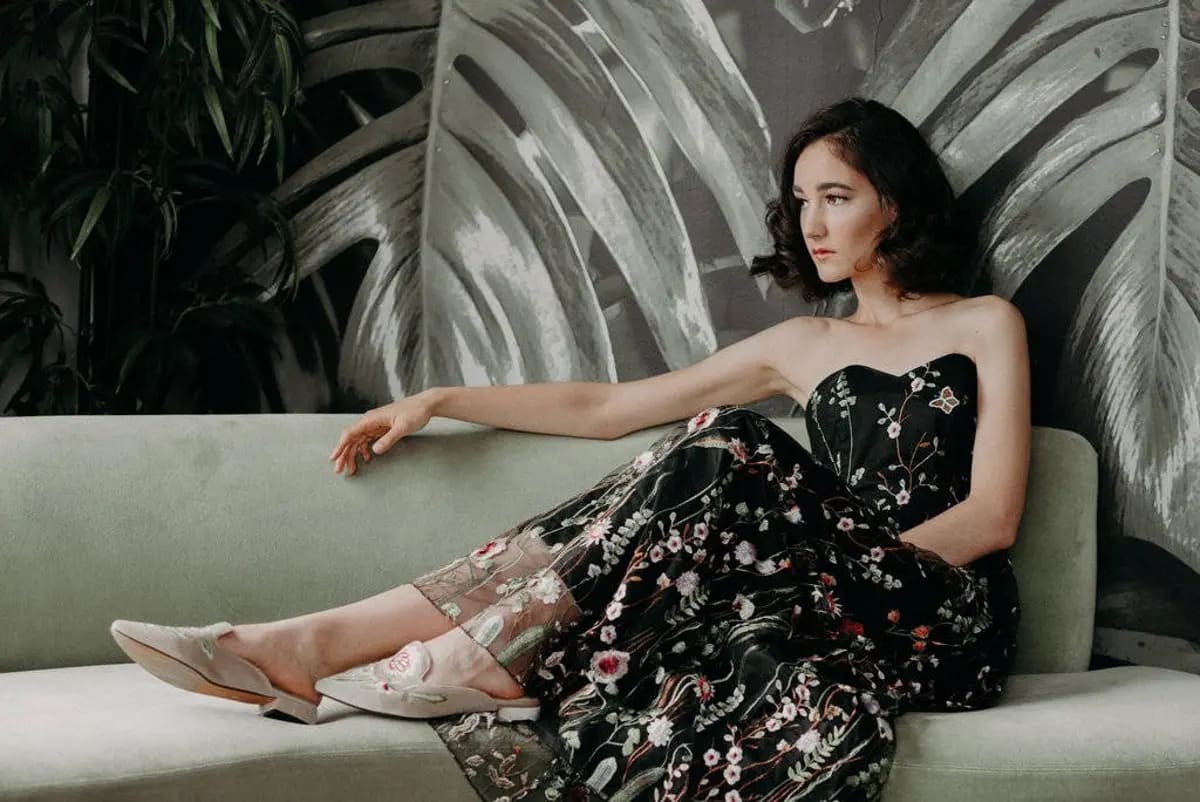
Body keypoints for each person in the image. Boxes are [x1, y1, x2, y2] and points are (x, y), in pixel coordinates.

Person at [111, 96, 1030, 802]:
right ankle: (319, 643)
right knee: (715, 441)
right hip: (825, 601)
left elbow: (992, 517)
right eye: (801, 201)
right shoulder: (802, 347)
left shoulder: (987, 324)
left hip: (939, 616)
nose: (813, 224)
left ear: (896, 204)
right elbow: (609, 407)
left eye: (838, 197)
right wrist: (441, 398)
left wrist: (831, 560)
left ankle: (434, 648)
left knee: (735, 442)